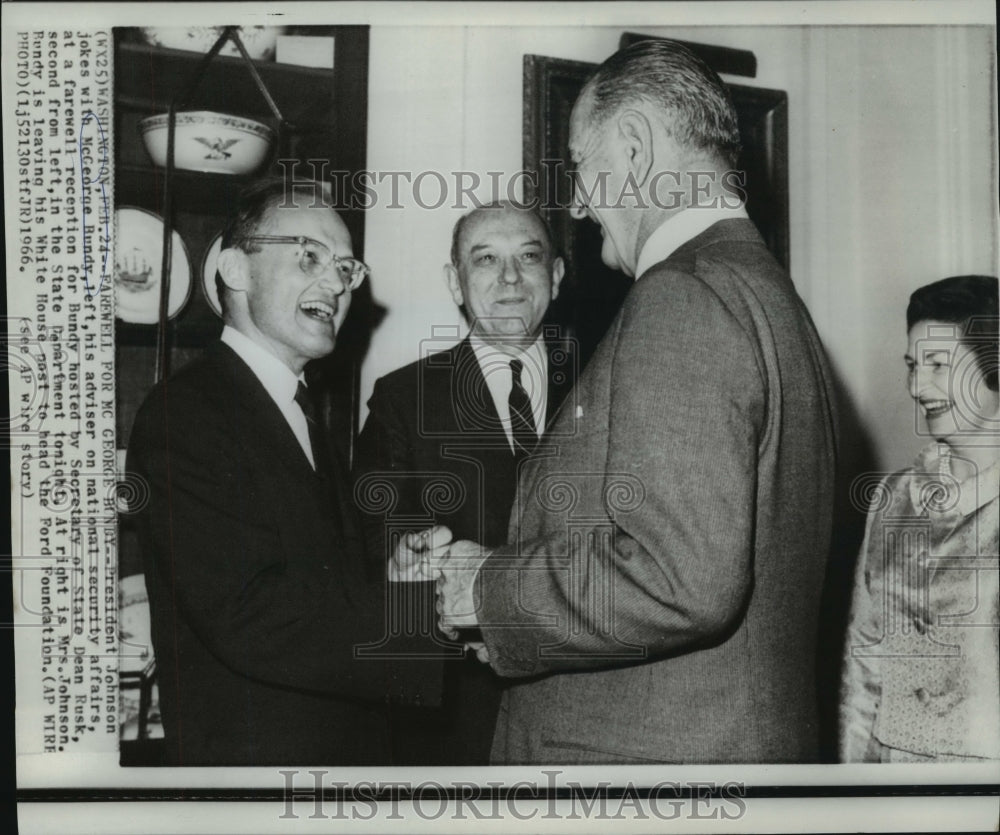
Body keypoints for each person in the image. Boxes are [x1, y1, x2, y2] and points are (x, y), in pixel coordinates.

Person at [436, 38, 839, 764]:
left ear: (633, 145)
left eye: (583, 168)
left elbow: (681, 575)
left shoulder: (681, 295)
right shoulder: (765, 291)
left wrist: (488, 591)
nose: (582, 203)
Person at [127, 178, 447, 766]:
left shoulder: (299, 411)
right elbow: (251, 613)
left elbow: (309, 582)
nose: (336, 284)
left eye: (347, 269)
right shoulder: (187, 413)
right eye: (309, 257)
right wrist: (425, 614)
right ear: (236, 269)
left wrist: (395, 583)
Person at [353, 202, 575, 764]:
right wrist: (409, 564)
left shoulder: (604, 383)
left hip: (587, 706)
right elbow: (372, 542)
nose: (509, 278)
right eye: (485, 260)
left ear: (556, 275)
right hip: (460, 720)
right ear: (455, 282)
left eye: (528, 257)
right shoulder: (405, 399)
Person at [840, 275, 999, 763]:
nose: (916, 386)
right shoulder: (892, 499)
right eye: (912, 365)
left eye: (937, 365)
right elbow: (863, 668)